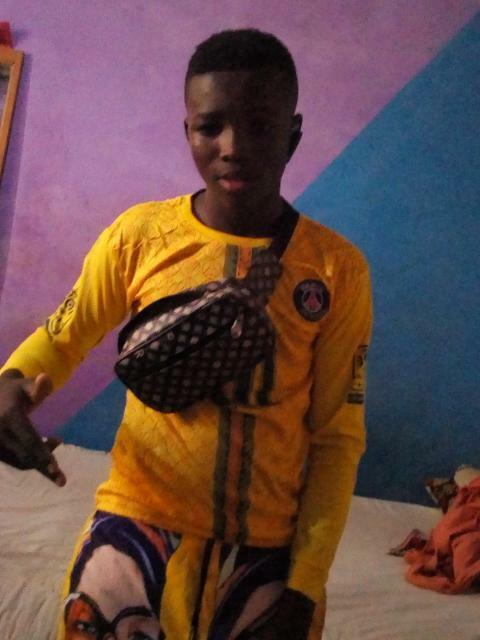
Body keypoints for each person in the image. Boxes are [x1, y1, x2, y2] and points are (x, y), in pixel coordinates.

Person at [0, 28, 373, 639]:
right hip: (131, 535)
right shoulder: (140, 236)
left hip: (264, 558)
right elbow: (63, 336)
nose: (233, 148)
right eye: (210, 127)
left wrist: (305, 585)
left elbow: (336, 437)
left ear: (293, 135)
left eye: (259, 127)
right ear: (188, 130)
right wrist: (9, 382)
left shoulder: (336, 270)